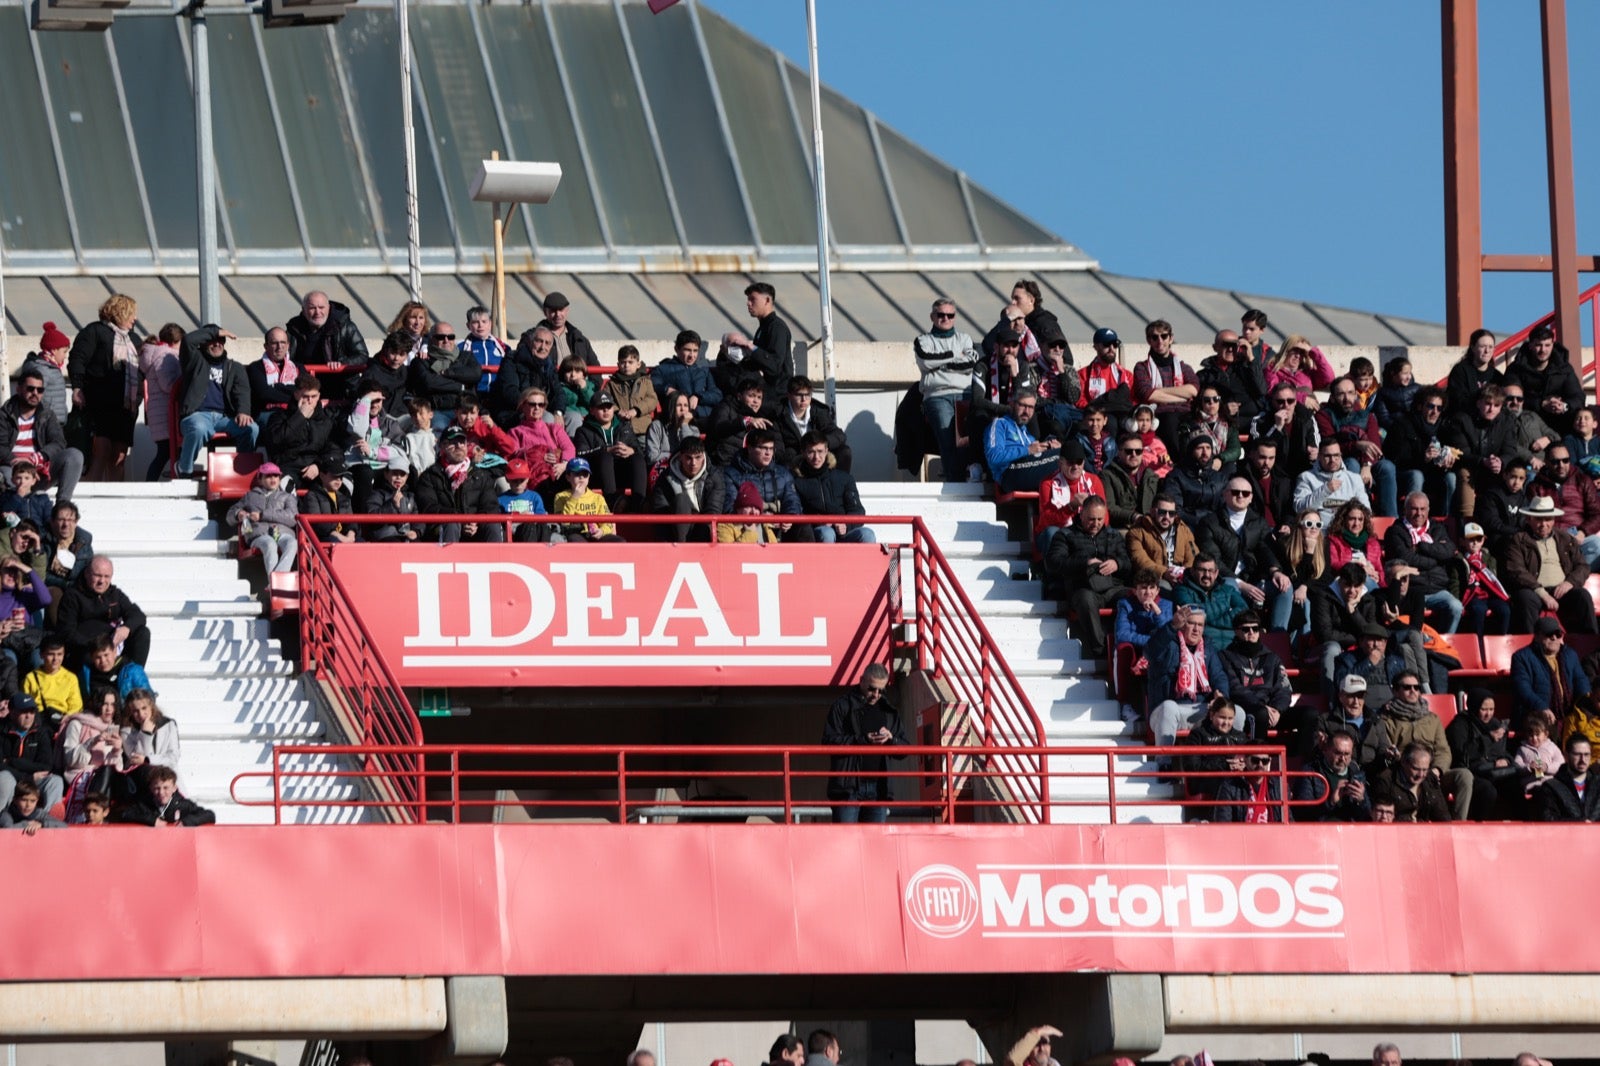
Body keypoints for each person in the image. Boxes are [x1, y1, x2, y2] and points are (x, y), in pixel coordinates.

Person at [1366, 671, 1472, 819]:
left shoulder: (1432, 719)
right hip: (1405, 771)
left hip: (1433, 772)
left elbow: (1443, 750)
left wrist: (1437, 770)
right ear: (1395, 690)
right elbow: (1388, 748)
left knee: (1464, 776)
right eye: (1407, 687)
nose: (1413, 691)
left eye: (1416, 687)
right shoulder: (1386, 719)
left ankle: (1458, 825)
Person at [67, 293, 140, 483]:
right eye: (132, 313)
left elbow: (141, 371)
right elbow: (77, 359)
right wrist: (77, 388)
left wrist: (137, 399)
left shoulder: (134, 339)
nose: (135, 319)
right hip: (99, 401)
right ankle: (93, 496)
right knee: (101, 450)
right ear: (120, 312)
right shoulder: (95, 331)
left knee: (119, 456)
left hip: (125, 407)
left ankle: (116, 499)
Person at [822, 663, 908, 823]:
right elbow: (828, 741)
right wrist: (863, 740)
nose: (876, 694)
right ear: (861, 681)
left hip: (879, 790)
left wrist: (891, 741)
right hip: (848, 790)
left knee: (874, 844)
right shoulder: (843, 706)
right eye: (872, 688)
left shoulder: (889, 711)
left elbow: (905, 749)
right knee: (846, 842)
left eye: (881, 690)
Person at [1045, 496, 1128, 657]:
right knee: (1086, 600)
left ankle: (1127, 646)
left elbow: (1128, 563)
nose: (1096, 524)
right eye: (1091, 519)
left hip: (1112, 587)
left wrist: (1117, 563)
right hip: (1082, 587)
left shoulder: (1113, 535)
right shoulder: (1065, 535)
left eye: (1099, 519)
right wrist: (1085, 562)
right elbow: (1053, 563)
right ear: (1081, 514)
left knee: (1132, 597)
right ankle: (1101, 651)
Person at [1196, 476, 1287, 621]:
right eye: (1235, 492)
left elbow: (1266, 550)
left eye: (1245, 493)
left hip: (1255, 580)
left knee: (1284, 587)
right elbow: (1213, 560)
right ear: (1225, 494)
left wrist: (1275, 571)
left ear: (1251, 498)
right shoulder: (1209, 522)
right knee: (1231, 586)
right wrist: (1241, 584)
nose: (1240, 496)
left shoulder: (1259, 522)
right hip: (1224, 580)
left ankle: (1278, 635)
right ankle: (1242, 629)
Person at [1502, 497, 1597, 634]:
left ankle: (1591, 646)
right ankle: (1531, 646)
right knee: (1525, 598)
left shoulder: (1566, 538)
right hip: (1534, 590)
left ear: (1553, 520)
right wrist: (1542, 593)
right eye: (1539, 520)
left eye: (1548, 519)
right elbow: (1516, 571)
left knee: (1582, 596)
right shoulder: (1518, 540)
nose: (1543, 524)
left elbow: (1582, 566)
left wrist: (1569, 583)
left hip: (1562, 590)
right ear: (1529, 519)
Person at [1144, 605, 1230, 748]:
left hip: (1201, 710)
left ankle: (1233, 762)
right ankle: (1163, 765)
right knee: (1169, 707)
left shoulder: (1208, 647)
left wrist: (1221, 695)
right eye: (1191, 623)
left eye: (1200, 625)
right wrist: (1171, 626)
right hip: (1168, 710)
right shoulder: (1168, 642)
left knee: (1237, 712)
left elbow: (1219, 676)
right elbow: (1150, 652)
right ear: (1182, 624)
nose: (1196, 629)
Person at [0, 366, 84, 503]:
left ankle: (61, 507)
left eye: (40, 390)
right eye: (30, 389)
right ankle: (15, 509)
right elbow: (1, 447)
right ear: (18, 389)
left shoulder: (47, 414)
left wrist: (35, 459)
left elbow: (58, 442)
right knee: (7, 475)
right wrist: (20, 463)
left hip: (39, 470)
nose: (35, 393)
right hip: (13, 469)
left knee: (74, 455)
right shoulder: (4, 414)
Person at [1382, 492, 1463, 632]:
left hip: (1438, 589)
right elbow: (1406, 559)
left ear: (1428, 510)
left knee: (1456, 606)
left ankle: (1442, 646)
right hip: (1411, 589)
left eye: (1422, 509)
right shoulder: (1395, 531)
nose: (1419, 513)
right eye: (1414, 509)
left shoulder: (1437, 528)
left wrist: (1421, 547)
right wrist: (1436, 559)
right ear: (1405, 510)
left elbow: (1449, 550)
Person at [1315, 376, 1396, 517]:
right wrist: (1357, 445)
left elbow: (1375, 446)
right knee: (1352, 465)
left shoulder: (1367, 416)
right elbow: (1330, 444)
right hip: (1341, 462)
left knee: (1387, 467)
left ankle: (1390, 519)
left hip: (1368, 462)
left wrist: (1367, 464)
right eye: (1341, 394)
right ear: (1333, 397)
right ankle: (1354, 516)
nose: (1347, 398)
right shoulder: (1325, 415)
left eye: (1351, 393)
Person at [1443, 384, 1525, 519]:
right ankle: (1467, 520)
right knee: (1464, 474)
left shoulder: (1506, 421)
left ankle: (1515, 518)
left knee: (1516, 473)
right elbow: (1461, 452)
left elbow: (1510, 450)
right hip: (1471, 467)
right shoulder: (1462, 419)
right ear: (1478, 403)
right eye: (1488, 404)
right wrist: (1483, 461)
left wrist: (1501, 461)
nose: (1491, 409)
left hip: (1495, 468)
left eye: (1496, 405)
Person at [415, 427, 505, 544]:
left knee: (493, 525)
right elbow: (428, 507)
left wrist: (475, 522)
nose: (459, 446)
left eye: (462, 442)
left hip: (475, 527)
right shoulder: (429, 476)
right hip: (443, 528)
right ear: (442, 446)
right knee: (452, 523)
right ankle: (448, 561)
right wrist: (459, 519)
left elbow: (491, 507)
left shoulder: (481, 475)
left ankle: (496, 561)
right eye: (453, 442)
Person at [55, 556, 149, 668]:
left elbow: (138, 615)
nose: (102, 581)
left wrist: (126, 628)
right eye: (97, 575)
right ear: (86, 574)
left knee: (142, 632)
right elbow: (66, 632)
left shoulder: (114, 594)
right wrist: (96, 646)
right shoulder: (72, 596)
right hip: (87, 649)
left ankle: (133, 676)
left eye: (106, 576)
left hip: (112, 645)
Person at [1217, 610, 1295, 743]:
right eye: (1246, 629)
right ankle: (1256, 759)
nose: (1251, 633)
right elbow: (1235, 688)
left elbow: (1284, 688)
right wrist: (1261, 706)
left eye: (1255, 628)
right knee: (1261, 714)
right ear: (1236, 631)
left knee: (1310, 715)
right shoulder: (1225, 656)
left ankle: (1301, 761)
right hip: (1246, 709)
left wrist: (1277, 709)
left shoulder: (1272, 657)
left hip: (1272, 710)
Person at [722, 429, 811, 542]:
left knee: (804, 526)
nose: (768, 453)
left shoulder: (783, 473)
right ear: (749, 449)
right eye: (763, 448)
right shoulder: (731, 474)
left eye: (771, 449)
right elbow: (730, 508)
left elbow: (792, 500)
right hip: (748, 526)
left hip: (779, 527)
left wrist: (789, 517)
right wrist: (761, 518)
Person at [1446, 689, 1518, 820]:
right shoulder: (1460, 724)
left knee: (1516, 786)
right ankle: (1480, 826)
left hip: (1494, 771)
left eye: (1491, 709)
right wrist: (1488, 738)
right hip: (1472, 771)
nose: (1488, 714)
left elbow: (1503, 751)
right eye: (1484, 709)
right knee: (1487, 790)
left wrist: (1505, 760)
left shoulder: (1495, 724)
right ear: (1474, 706)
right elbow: (1462, 753)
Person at [1511, 617, 1591, 734]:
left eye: (1558, 634)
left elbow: (1581, 680)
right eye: (1549, 634)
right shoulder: (1522, 657)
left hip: (1567, 712)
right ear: (1537, 636)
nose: (1554, 638)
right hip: (1536, 714)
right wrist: (1541, 707)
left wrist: (1585, 702)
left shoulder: (1570, 654)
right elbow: (1523, 689)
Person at [1384, 387, 1456, 517]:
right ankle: (1411, 520)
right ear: (1419, 406)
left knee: (1451, 478)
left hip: (1432, 475)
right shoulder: (1403, 424)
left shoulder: (1445, 428)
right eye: (1430, 406)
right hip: (1405, 474)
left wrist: (1448, 462)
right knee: (1416, 475)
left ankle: (1445, 521)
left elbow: (1454, 450)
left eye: (1439, 408)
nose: (1435, 412)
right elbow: (1396, 457)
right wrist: (1423, 457)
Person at [792, 432, 874, 544]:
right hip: (816, 534)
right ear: (803, 453)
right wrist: (820, 522)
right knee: (826, 533)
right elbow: (797, 514)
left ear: (826, 451)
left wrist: (846, 525)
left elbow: (857, 510)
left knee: (867, 534)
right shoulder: (797, 482)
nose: (816, 457)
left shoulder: (844, 478)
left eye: (820, 451)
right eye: (811, 452)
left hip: (844, 532)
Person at [571, 392, 647, 512]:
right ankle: (612, 501)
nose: (606, 410)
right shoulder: (583, 431)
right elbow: (580, 455)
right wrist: (606, 450)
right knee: (605, 456)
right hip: (597, 475)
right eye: (601, 407)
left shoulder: (624, 427)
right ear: (592, 410)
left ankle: (639, 502)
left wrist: (631, 450)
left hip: (621, 473)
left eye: (609, 406)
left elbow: (639, 451)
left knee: (637, 458)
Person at [1528, 442, 1600, 567]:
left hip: (1577, 535)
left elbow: (1597, 513)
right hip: (1549, 537)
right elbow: (1531, 518)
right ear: (1546, 462)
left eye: (1565, 460)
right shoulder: (1536, 486)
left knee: (1596, 545)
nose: (1561, 465)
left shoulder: (1583, 480)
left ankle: (1575, 578)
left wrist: (1582, 532)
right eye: (1555, 461)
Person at [1131, 320, 1197, 453]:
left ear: (1171, 338)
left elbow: (1193, 390)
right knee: (1170, 421)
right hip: (1160, 414)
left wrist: (1159, 391)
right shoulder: (1142, 367)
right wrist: (1181, 396)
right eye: (1154, 337)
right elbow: (1147, 394)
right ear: (1149, 340)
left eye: (1164, 336)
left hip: (1186, 413)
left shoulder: (1183, 367)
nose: (1159, 341)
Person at [1505, 323, 1583, 435]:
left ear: (1553, 345)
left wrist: (1564, 406)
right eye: (1538, 345)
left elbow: (1578, 397)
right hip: (1527, 427)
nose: (1543, 350)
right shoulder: (1516, 369)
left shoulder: (1564, 368)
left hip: (1561, 425)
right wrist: (1541, 404)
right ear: (1530, 345)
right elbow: (1509, 400)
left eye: (1547, 345)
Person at [719, 281, 794, 398]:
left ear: (767, 300)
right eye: (748, 300)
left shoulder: (777, 327)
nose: (748, 304)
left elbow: (774, 365)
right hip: (765, 393)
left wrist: (751, 347)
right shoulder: (763, 328)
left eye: (753, 299)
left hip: (777, 396)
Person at [1312, 565, 1381, 685]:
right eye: (1347, 585)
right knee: (1332, 649)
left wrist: (1353, 612)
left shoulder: (1368, 600)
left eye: (1357, 586)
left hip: (1357, 648)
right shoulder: (1323, 597)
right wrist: (1357, 639)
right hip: (1323, 649)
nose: (1352, 591)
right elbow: (1324, 635)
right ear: (1339, 581)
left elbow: (1371, 634)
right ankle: (1330, 700)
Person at [1178, 696, 1245, 818]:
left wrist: (1245, 765)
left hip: (1236, 780)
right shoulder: (1198, 735)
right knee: (1225, 782)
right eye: (1222, 717)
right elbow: (1191, 765)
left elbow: (1251, 758)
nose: (1226, 723)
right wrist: (1225, 765)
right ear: (1212, 715)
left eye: (1230, 718)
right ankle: (1220, 822)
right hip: (1204, 781)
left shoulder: (1241, 737)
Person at [262, 375, 337, 486]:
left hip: (316, 468)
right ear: (296, 395)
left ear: (319, 396)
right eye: (306, 396)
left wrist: (318, 466)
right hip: (288, 467)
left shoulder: (325, 421)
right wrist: (299, 417)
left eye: (314, 396)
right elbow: (275, 441)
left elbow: (335, 450)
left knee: (342, 480)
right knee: (284, 483)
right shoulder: (279, 417)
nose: (310, 401)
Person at [225, 462, 298, 573]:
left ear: (280, 478)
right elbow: (230, 515)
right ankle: (277, 585)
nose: (272, 478)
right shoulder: (250, 496)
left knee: (292, 543)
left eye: (276, 475)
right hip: (259, 535)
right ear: (260, 479)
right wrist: (238, 514)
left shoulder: (287, 497)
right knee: (270, 544)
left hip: (282, 533)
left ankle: (276, 581)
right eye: (268, 476)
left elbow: (292, 518)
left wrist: (262, 515)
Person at [1033, 442, 1102, 557]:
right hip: (1056, 532)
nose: (1075, 466)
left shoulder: (1094, 481)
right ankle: (1052, 573)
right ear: (1060, 463)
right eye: (1070, 462)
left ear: (1083, 463)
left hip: (1085, 530)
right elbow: (1046, 520)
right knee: (1052, 533)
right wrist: (1071, 507)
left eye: (1079, 462)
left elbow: (1105, 517)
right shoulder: (1048, 483)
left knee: (1110, 533)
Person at [650, 437, 726, 543]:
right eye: (688, 458)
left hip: (703, 531)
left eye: (698, 457)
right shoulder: (666, 478)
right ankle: (682, 549)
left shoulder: (714, 477)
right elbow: (660, 513)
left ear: (703, 457)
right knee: (681, 499)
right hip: (675, 531)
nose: (693, 463)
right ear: (681, 457)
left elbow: (713, 511)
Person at [406, 321, 482, 424]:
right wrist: (461, 386)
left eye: (450, 337)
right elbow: (430, 383)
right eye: (441, 337)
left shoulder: (466, 357)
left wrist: (446, 373)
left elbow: (475, 374)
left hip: (467, 410)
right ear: (432, 339)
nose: (446, 340)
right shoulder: (422, 361)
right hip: (439, 411)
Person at [506, 388, 575, 499]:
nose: (537, 408)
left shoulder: (554, 429)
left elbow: (569, 448)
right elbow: (514, 455)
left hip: (556, 474)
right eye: (532, 404)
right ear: (523, 406)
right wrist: (538, 455)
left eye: (541, 404)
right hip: (531, 477)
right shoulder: (515, 432)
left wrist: (564, 464)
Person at [0, 694, 63, 815]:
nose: (29, 716)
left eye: (32, 711)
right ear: (12, 712)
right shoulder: (2, 731)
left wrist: (12, 761)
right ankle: (2, 818)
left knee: (55, 781)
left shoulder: (41, 732)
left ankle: (46, 819)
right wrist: (27, 777)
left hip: (33, 779)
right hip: (13, 778)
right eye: (23, 712)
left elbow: (45, 766)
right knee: (5, 778)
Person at [1292, 728, 1372, 822]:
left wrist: (1361, 800)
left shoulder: (1357, 775)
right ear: (1326, 750)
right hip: (1319, 831)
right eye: (1338, 753)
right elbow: (1302, 813)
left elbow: (1367, 817)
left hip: (1350, 832)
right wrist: (1330, 802)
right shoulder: (1310, 772)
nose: (1342, 758)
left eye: (1347, 754)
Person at [1171, 553, 1247, 648]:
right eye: (1202, 570)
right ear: (1192, 571)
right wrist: (1225, 605)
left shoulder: (1228, 590)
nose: (1207, 575)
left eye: (1210, 571)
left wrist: (1211, 620)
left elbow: (1244, 612)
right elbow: (1194, 615)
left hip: (1233, 646)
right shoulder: (1181, 590)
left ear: (1216, 573)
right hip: (1205, 648)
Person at [1331, 621, 1408, 714]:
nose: (1375, 644)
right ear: (1361, 642)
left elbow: (1405, 688)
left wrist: (1396, 704)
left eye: (1379, 640)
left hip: (1391, 712)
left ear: (1385, 643)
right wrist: (1369, 663)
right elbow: (1341, 683)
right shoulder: (1346, 659)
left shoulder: (1396, 662)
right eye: (1371, 639)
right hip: (1359, 712)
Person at [1197, 328, 1267, 430]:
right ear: (1215, 347)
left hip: (1252, 423)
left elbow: (1262, 390)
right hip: (1221, 424)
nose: (1230, 349)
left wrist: (1251, 358)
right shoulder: (1205, 375)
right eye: (1226, 345)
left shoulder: (1247, 369)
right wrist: (1222, 409)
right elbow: (1198, 405)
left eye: (1234, 345)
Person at [650, 330, 722, 428]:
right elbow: (653, 384)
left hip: (704, 417)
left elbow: (717, 395)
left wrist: (698, 396)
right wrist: (667, 389)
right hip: (679, 420)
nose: (692, 356)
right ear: (677, 349)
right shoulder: (663, 369)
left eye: (695, 351)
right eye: (687, 350)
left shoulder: (703, 370)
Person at [1125, 493, 1196, 590]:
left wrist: (1185, 574)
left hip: (1182, 577)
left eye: (1171, 513)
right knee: (1165, 588)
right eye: (1162, 512)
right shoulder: (1137, 532)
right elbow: (1141, 562)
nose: (1167, 517)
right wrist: (1164, 573)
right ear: (1152, 512)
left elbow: (1193, 556)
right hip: (1154, 579)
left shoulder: (1183, 530)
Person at [1249, 382, 1320, 478]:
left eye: (1290, 401)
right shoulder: (1260, 420)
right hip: (1272, 472)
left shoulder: (1306, 418)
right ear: (1273, 402)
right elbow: (1258, 451)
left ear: (1295, 402)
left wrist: (1314, 452)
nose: (1286, 405)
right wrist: (1277, 428)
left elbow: (1314, 444)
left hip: (1301, 470)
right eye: (1280, 401)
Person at [1295, 438, 1370, 527]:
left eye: (1336, 455)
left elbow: (1366, 511)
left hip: (1347, 533)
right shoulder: (1306, 478)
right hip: (1320, 533)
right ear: (1319, 457)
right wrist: (1325, 491)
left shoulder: (1354, 479)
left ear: (1341, 456)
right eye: (1327, 456)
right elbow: (1300, 509)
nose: (1332, 460)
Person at [285, 290, 369, 370]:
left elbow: (362, 355)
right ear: (303, 310)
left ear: (329, 308)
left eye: (321, 307)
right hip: (306, 382)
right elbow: (283, 355)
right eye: (312, 308)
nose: (317, 312)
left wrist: (341, 364)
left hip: (341, 381)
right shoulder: (294, 329)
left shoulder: (346, 327)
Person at [1370, 741, 1452, 822]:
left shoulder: (1430, 779)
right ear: (1403, 762)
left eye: (1425, 770)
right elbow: (1383, 817)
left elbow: (1443, 816)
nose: (1421, 774)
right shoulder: (1386, 780)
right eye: (1416, 769)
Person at [1276, 509, 1328, 639]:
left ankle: (1304, 646)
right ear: (1300, 525)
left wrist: (1305, 587)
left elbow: (1325, 577)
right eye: (1309, 524)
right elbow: (1294, 576)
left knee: (1308, 603)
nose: (1314, 528)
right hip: (1293, 589)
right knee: (1302, 603)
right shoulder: (1286, 544)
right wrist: (1309, 553)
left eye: (1318, 525)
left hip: (1314, 590)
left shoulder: (1325, 545)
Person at [494, 325, 559, 424]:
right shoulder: (512, 360)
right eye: (539, 341)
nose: (543, 347)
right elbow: (509, 391)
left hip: (541, 408)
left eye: (547, 343)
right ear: (530, 342)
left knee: (573, 417)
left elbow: (558, 392)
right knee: (547, 418)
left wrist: (558, 412)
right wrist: (533, 405)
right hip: (514, 412)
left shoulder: (549, 365)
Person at [120, 687, 180, 793]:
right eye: (135, 711)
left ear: (151, 706)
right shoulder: (126, 731)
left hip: (167, 774)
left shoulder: (168, 724)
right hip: (141, 778)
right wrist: (145, 734)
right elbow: (135, 759)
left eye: (144, 708)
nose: (141, 714)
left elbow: (173, 757)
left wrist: (148, 760)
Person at [1457, 521, 1511, 638]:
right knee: (1478, 610)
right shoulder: (1459, 560)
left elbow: (1495, 580)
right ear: (1462, 541)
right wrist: (1457, 601)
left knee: (1504, 610)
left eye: (1479, 539)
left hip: (1490, 595)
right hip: (1472, 595)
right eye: (1471, 539)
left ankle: (1500, 641)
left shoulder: (1490, 559)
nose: (1475, 542)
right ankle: (1477, 642)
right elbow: (1455, 583)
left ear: (1483, 541)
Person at [1161, 434, 1226, 529]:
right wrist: (1200, 522)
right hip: (1187, 526)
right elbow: (1175, 510)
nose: (1205, 452)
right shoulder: (1176, 477)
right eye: (1200, 448)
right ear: (1191, 451)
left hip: (1216, 527)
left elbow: (1226, 508)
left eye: (1208, 448)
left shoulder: (1220, 478)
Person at [708, 377, 776, 467]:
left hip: (751, 467)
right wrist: (744, 422)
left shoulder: (763, 417)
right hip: (724, 464)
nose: (756, 401)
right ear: (739, 396)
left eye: (759, 397)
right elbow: (717, 429)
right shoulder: (725, 407)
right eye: (751, 396)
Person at [117, 764, 215, 827]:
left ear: (174, 788)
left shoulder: (183, 805)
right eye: (157, 788)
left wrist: (186, 822)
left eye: (166, 788)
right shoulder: (144, 804)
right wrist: (152, 820)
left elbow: (209, 815)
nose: (161, 793)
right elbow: (125, 813)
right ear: (151, 788)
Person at [1231, 437, 1294, 534]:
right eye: (1262, 457)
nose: (1267, 463)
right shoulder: (1240, 478)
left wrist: (1287, 525)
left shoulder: (1283, 480)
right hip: (1251, 531)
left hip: (1279, 530)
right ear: (1252, 455)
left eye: (1271, 458)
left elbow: (1289, 509)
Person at [1474, 458, 1531, 561]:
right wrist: (1517, 532)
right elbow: (1492, 523)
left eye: (1521, 478)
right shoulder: (1492, 495)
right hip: (1496, 540)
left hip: (1517, 539)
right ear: (1505, 475)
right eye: (1513, 477)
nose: (1516, 482)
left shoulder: (1523, 499)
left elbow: (1524, 522)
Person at [246, 326, 305, 425]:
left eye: (283, 342)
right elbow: (264, 394)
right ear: (266, 346)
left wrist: (276, 387)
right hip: (267, 413)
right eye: (274, 343)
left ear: (288, 345)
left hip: (294, 411)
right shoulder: (255, 368)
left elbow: (305, 391)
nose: (279, 347)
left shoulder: (298, 367)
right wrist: (294, 392)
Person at [1100, 433, 1159, 530]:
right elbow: (1109, 508)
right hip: (1122, 527)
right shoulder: (1107, 475)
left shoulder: (1150, 476)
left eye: (1138, 451)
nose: (1134, 455)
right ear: (1119, 452)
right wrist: (1133, 516)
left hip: (1150, 526)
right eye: (1128, 451)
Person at [1535, 735, 1600, 822]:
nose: (1582, 760)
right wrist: (1579, 822)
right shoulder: (1551, 787)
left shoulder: (1598, 784)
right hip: (1566, 834)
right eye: (1577, 754)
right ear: (1566, 756)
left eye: (1586, 754)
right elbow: (1549, 819)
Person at [1076, 328, 1135, 418]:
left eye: (1115, 344)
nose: (1111, 349)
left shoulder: (1127, 376)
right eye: (1106, 344)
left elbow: (1134, 400)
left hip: (1123, 416)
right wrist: (1097, 411)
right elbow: (1079, 401)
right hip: (1097, 418)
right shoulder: (1083, 374)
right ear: (1095, 347)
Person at [552, 457, 616, 541]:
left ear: (589, 477)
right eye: (577, 474)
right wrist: (574, 497)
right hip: (576, 534)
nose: (581, 477)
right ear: (568, 477)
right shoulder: (560, 497)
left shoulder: (598, 498)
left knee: (619, 541)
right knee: (575, 540)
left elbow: (608, 522)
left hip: (597, 534)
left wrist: (601, 531)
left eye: (585, 474)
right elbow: (564, 523)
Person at [536, 291, 601, 373]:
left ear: (567, 310)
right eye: (553, 310)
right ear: (545, 312)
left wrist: (589, 385)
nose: (558, 314)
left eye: (561, 310)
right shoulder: (532, 338)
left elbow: (596, 370)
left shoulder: (580, 339)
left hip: (576, 385)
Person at [1178, 387, 1241, 468]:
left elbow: (1235, 450)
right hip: (1199, 464)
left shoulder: (1229, 423)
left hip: (1222, 464)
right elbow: (1185, 451)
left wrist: (1220, 459)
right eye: (1207, 400)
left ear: (1219, 402)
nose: (1212, 402)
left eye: (1216, 399)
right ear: (1201, 403)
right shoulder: (1189, 424)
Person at [1263, 334, 1336, 405]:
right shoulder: (1272, 370)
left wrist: (1313, 351)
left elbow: (1328, 378)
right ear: (1286, 351)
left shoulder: (1307, 372)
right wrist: (1302, 398)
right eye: (1294, 350)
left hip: (1307, 412)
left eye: (1302, 352)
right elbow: (1273, 391)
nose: (1298, 355)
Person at [605, 344, 660, 438]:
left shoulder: (645, 381)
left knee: (644, 450)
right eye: (623, 362)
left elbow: (652, 400)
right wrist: (617, 411)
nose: (626, 365)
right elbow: (606, 400)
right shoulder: (612, 383)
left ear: (638, 364)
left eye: (630, 362)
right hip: (620, 427)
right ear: (618, 365)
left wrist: (636, 410)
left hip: (642, 428)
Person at [1445, 328, 1504, 414]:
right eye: (1482, 346)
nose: (1487, 351)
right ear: (1473, 348)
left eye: (1490, 347)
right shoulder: (1460, 371)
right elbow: (1457, 401)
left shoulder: (1497, 376)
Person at [367, 455, 422, 544]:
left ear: (407, 477)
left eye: (402, 474)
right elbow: (371, 517)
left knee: (419, 547)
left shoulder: (410, 496)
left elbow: (417, 519)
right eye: (395, 473)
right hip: (385, 538)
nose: (398, 477)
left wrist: (416, 531)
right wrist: (392, 505)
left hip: (406, 537)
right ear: (386, 474)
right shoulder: (377, 494)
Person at [299, 460, 356, 544]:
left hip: (343, 536)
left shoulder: (344, 497)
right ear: (322, 475)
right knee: (335, 544)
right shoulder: (312, 495)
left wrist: (351, 534)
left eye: (341, 477)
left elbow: (351, 522)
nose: (338, 480)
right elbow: (317, 524)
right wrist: (339, 536)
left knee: (362, 543)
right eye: (334, 476)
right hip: (323, 538)